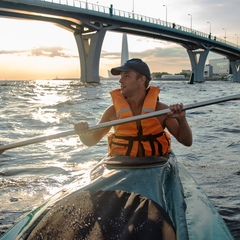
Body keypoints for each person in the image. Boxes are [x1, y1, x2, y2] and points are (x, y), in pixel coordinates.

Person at [74, 58, 192, 157]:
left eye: (126, 76)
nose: (120, 80)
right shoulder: (112, 112)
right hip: (123, 167)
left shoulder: (161, 110)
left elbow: (187, 142)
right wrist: (82, 133)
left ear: (141, 80)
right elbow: (91, 141)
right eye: (121, 76)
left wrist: (182, 120)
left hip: (155, 164)